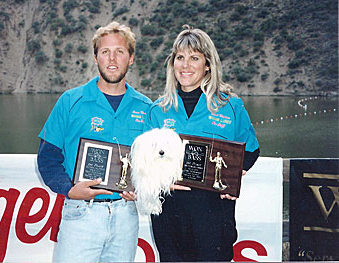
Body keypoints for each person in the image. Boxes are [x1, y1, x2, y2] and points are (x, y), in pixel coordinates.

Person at [37, 21, 151, 262]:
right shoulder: (70, 101)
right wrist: (69, 189)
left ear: (130, 58)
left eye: (120, 51)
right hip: (81, 213)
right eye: (105, 51)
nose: (112, 59)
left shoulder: (146, 108)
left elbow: (152, 164)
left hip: (125, 217)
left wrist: (141, 188)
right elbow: (48, 158)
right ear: (96, 57)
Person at [145, 25, 260, 262]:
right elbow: (144, 163)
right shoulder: (157, 110)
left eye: (194, 58)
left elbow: (251, 150)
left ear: (207, 64)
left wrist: (233, 177)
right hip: (170, 217)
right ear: (172, 63)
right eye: (180, 58)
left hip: (214, 216)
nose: (185, 65)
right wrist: (158, 179)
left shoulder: (230, 106)